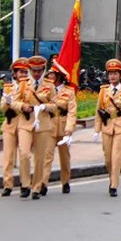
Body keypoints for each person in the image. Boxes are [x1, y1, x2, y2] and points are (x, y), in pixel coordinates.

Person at [10, 55, 57, 199]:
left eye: (39, 70)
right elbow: (13, 102)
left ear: (43, 70)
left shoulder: (49, 85)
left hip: (42, 125)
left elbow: (55, 106)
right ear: (29, 70)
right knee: (24, 154)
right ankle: (25, 184)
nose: (36, 73)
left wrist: (44, 106)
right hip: (25, 122)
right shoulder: (24, 84)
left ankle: (36, 187)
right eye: (34, 70)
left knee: (39, 158)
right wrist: (23, 106)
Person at [93, 59, 121, 197]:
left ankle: (114, 185)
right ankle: (111, 178)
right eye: (110, 73)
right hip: (107, 127)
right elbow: (98, 111)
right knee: (108, 158)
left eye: (115, 73)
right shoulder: (103, 91)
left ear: (120, 75)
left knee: (117, 157)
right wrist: (96, 130)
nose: (112, 76)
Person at [41, 62, 77, 195]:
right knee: (47, 156)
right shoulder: (45, 90)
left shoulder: (69, 92)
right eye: (49, 74)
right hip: (49, 126)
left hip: (63, 127)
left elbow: (72, 112)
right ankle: (43, 183)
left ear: (59, 76)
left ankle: (66, 181)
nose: (50, 76)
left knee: (64, 157)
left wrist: (69, 128)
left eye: (52, 74)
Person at [0, 58, 28, 196]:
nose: (23, 75)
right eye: (20, 72)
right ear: (14, 73)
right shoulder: (8, 88)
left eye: (25, 72)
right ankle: (7, 184)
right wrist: (8, 103)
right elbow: (3, 107)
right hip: (10, 123)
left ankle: (24, 183)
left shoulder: (29, 87)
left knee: (24, 154)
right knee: (8, 156)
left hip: (24, 123)